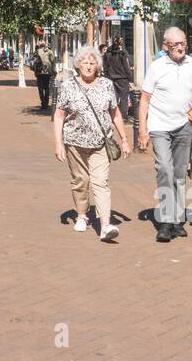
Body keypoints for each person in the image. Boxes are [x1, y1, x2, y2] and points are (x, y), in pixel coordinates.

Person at [138, 27, 192, 243]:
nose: (180, 47)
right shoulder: (157, 67)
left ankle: (178, 219)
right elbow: (144, 99)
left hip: (184, 126)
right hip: (159, 125)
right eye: (175, 44)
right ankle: (164, 222)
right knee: (164, 169)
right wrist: (143, 131)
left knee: (180, 173)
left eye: (183, 43)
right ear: (165, 46)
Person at [53, 45, 130, 242]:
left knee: (100, 182)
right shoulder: (68, 86)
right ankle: (81, 215)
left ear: (98, 66)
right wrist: (58, 143)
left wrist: (124, 138)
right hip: (74, 143)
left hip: (100, 143)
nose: (88, 66)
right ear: (78, 65)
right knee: (81, 181)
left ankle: (105, 225)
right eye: (85, 62)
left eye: (92, 62)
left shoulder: (106, 85)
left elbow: (115, 112)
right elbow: (60, 115)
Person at [103, 37, 133, 119]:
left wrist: (107, 76)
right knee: (123, 98)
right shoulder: (122, 53)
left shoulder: (107, 53)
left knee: (114, 98)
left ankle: (113, 115)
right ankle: (123, 116)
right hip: (122, 78)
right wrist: (130, 77)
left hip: (111, 78)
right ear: (120, 43)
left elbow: (105, 66)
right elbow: (126, 66)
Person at [30, 42, 56, 108]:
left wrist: (34, 71)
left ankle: (43, 102)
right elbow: (53, 62)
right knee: (47, 88)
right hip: (47, 72)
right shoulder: (50, 52)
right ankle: (46, 103)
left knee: (40, 89)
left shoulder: (37, 51)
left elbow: (32, 60)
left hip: (39, 72)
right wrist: (54, 72)